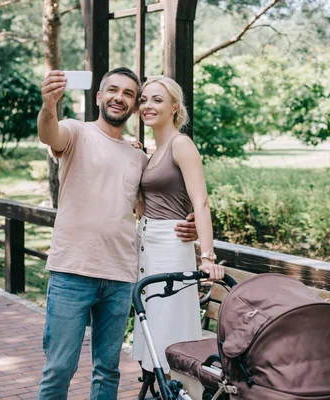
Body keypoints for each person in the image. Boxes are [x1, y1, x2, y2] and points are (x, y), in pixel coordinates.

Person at [36, 67, 198, 400]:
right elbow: (49, 135)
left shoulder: (139, 156)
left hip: (120, 277)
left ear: (134, 106)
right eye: (112, 90)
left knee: (107, 371)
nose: (119, 97)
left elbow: (154, 202)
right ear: (99, 96)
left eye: (128, 94)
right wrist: (49, 105)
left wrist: (190, 220)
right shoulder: (76, 132)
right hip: (72, 272)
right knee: (59, 369)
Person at [132, 77, 224, 375]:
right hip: (147, 246)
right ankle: (162, 387)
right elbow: (142, 204)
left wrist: (208, 257)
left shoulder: (181, 144)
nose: (148, 105)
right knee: (152, 326)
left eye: (157, 100)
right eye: (144, 99)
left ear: (174, 107)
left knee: (171, 326)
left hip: (172, 247)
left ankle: (182, 389)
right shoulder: (150, 153)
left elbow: (202, 203)